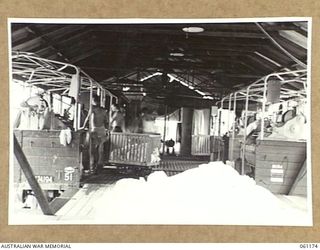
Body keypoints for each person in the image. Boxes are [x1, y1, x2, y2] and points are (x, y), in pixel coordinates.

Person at [90, 95, 109, 174]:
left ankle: (93, 166)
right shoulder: (103, 110)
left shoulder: (92, 110)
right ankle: (99, 165)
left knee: (93, 150)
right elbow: (106, 121)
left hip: (94, 130)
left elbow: (89, 120)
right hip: (102, 129)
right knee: (100, 149)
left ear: (94, 101)